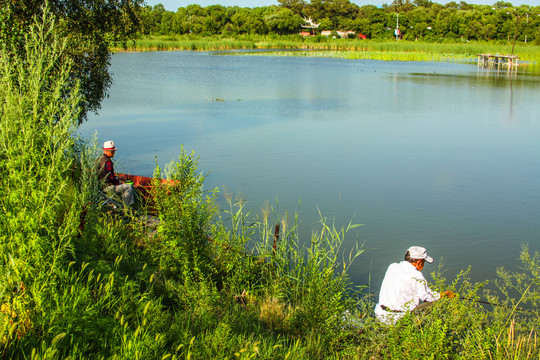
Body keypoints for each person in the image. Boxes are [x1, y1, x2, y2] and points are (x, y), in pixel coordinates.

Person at [374, 246, 453, 324]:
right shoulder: (417, 275)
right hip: (398, 318)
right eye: (424, 262)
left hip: (380, 313)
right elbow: (427, 297)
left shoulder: (392, 267)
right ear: (419, 262)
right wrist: (446, 294)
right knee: (432, 303)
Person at [97, 140, 134, 208]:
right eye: (113, 151)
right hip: (106, 187)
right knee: (128, 187)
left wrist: (119, 178)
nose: (114, 153)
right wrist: (119, 181)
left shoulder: (99, 159)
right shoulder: (107, 162)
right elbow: (110, 178)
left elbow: (108, 176)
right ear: (108, 151)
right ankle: (126, 208)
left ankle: (116, 205)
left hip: (99, 186)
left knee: (121, 185)